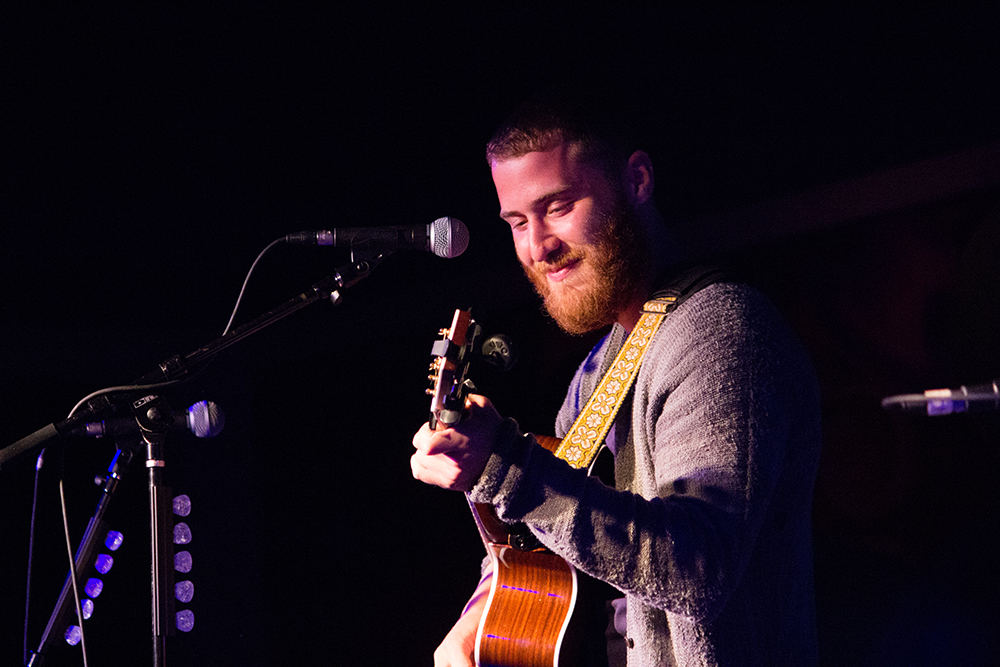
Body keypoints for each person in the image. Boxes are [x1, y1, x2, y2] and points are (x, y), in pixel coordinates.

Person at [410, 88, 822, 666]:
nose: (538, 246)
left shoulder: (721, 332)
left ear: (637, 180)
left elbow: (699, 568)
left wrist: (502, 466)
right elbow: (552, 545)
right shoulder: (599, 369)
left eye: (558, 207)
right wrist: (478, 613)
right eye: (517, 221)